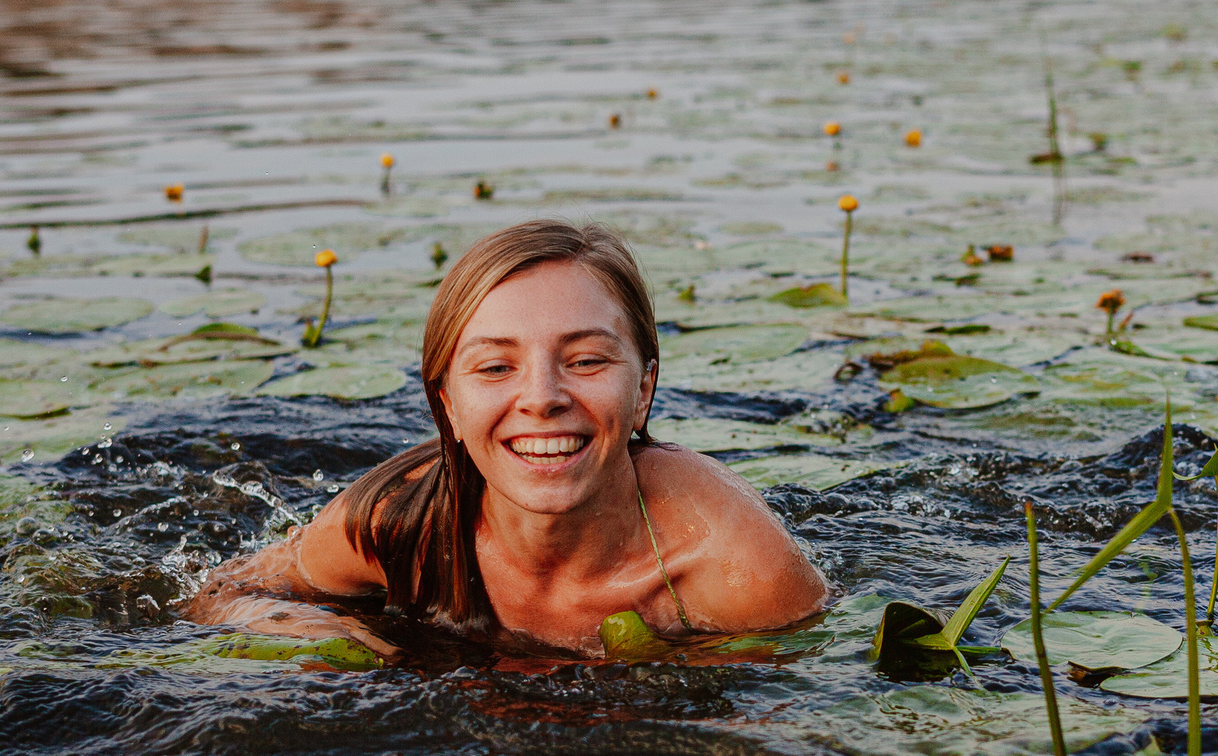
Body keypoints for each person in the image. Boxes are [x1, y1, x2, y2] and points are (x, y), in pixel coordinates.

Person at [187, 220, 828, 653]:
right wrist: (305, 631)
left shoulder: (733, 564)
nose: (543, 398)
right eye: (496, 367)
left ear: (643, 392)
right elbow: (223, 593)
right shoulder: (391, 521)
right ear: (449, 405)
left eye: (586, 361)